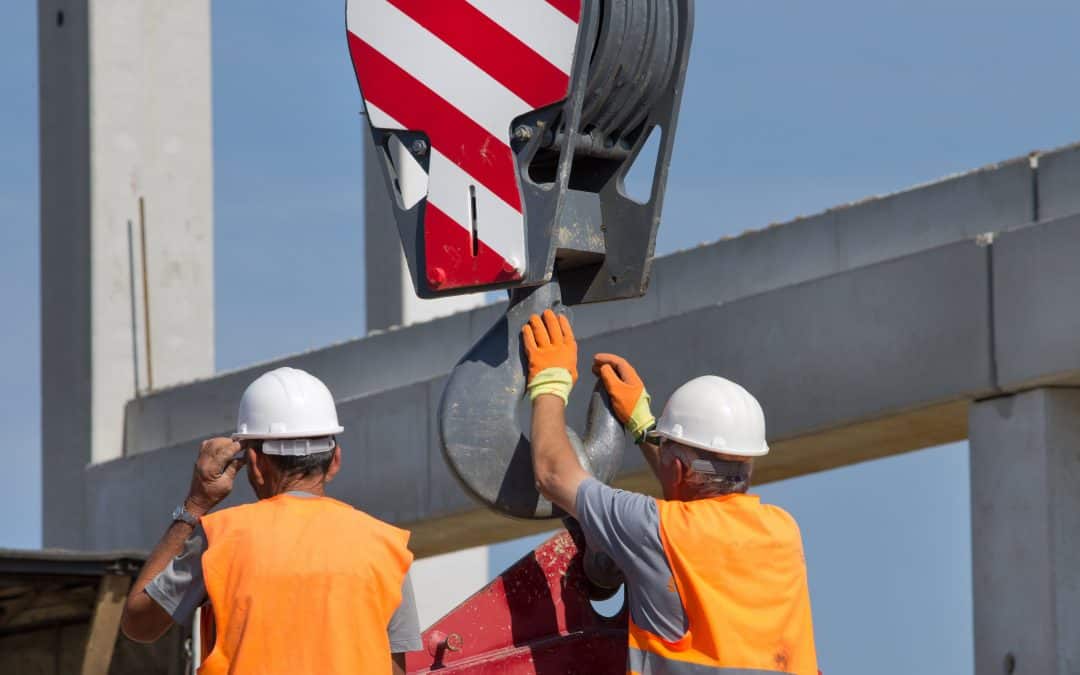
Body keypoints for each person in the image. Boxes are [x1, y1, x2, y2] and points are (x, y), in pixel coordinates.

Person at [522, 310, 819, 674]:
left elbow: (552, 473)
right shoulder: (783, 532)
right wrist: (645, 428)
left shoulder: (654, 528)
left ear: (676, 467)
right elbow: (695, 484)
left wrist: (549, 383)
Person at [120, 367, 421, 675]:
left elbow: (139, 622)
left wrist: (196, 504)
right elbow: (394, 670)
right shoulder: (389, 548)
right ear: (335, 461)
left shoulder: (221, 539)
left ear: (255, 464)